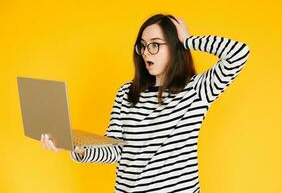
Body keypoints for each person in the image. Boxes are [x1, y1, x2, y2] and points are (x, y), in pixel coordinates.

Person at [41, 13, 250, 192]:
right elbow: (115, 149)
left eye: (155, 45)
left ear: (174, 47)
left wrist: (188, 40)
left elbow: (239, 53)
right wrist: (75, 147)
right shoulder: (126, 93)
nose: (146, 52)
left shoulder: (196, 90)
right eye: (142, 46)